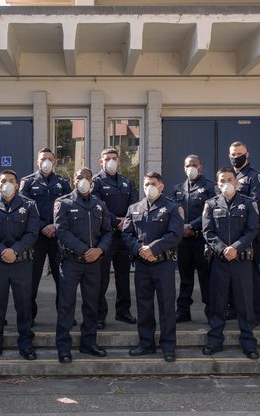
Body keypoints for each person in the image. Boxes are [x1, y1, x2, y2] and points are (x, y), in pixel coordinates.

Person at [0, 170, 40, 361]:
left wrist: (15, 250)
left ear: (18, 184)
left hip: (21, 262)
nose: (7, 184)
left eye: (11, 180)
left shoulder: (29, 206)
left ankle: (26, 344)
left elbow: (32, 233)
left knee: (24, 305)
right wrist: (1, 251)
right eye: (3, 180)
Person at [123, 171, 183, 362]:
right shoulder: (134, 208)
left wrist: (153, 249)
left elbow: (175, 235)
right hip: (142, 265)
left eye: (153, 183)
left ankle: (168, 345)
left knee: (166, 305)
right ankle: (146, 343)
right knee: (144, 305)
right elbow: (127, 234)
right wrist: (140, 249)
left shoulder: (172, 208)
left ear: (161, 186)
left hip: (163, 264)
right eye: (146, 184)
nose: (150, 187)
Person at [54, 168, 112, 363]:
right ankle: (63, 346)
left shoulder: (99, 205)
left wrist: (100, 250)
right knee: (66, 305)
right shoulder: (63, 203)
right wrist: (83, 250)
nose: (84, 180)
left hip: (94, 263)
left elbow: (107, 232)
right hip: (71, 262)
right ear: (73, 180)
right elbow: (61, 231)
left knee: (91, 304)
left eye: (87, 178)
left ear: (92, 182)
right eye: (80, 177)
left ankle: (89, 343)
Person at [202, 167, 260, 359]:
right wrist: (222, 249)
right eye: (221, 180)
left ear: (236, 182)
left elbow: (252, 230)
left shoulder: (249, 203)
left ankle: (248, 342)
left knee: (244, 302)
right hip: (219, 261)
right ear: (217, 184)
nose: (226, 182)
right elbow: (207, 232)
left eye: (229, 179)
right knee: (218, 302)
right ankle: (215, 340)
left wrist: (236, 247)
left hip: (241, 261)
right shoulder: (210, 204)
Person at [20, 148, 72, 324]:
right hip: (36, 237)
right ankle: (29, 316)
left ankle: (64, 316)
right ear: (37, 161)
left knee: (62, 278)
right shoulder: (27, 182)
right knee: (31, 279)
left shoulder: (63, 182)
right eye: (43, 159)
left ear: (55, 161)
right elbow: (25, 210)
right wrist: (44, 226)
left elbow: (69, 207)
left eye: (50, 159)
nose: (47, 162)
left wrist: (55, 226)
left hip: (59, 237)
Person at [92, 148, 138, 329]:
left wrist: (125, 221)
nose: (111, 161)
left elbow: (134, 205)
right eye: (107, 158)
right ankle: (99, 315)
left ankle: (123, 311)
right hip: (105, 235)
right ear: (101, 162)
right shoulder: (96, 182)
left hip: (124, 236)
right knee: (101, 277)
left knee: (123, 275)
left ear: (119, 161)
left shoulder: (126, 182)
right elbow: (97, 205)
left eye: (114, 158)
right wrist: (114, 221)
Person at [229, 141, 260, 324]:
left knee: (250, 273)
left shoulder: (256, 177)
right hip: (231, 232)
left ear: (247, 155)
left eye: (239, 153)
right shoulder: (230, 177)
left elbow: (253, 203)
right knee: (234, 273)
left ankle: (255, 313)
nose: (235, 157)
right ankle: (237, 309)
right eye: (232, 154)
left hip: (250, 232)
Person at [173, 154, 216, 323]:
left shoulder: (210, 188)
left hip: (202, 240)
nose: (191, 167)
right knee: (185, 278)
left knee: (206, 277)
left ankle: (211, 311)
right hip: (183, 241)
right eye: (187, 165)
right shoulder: (178, 189)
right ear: (184, 168)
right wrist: (182, 227)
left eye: (194, 164)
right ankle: (183, 311)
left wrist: (191, 226)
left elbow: (210, 213)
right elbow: (174, 212)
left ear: (201, 167)